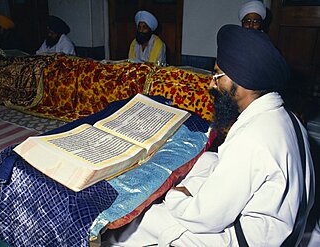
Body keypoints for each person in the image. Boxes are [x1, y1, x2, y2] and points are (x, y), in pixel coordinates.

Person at [102, 24, 315, 246]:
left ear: (242, 82)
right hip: (284, 224)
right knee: (207, 159)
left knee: (144, 222)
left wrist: (175, 195)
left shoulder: (253, 138)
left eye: (217, 75)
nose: (211, 84)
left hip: (249, 239)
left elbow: (205, 219)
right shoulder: (285, 116)